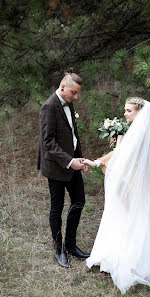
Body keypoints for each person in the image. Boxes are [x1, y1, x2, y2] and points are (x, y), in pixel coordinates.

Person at [84, 97, 150, 294]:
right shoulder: (136, 132)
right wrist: (98, 162)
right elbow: (119, 152)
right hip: (131, 182)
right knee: (128, 218)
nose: (124, 114)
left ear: (139, 112)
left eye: (128, 111)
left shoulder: (138, 134)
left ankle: (130, 260)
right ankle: (121, 255)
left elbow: (123, 157)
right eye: (125, 110)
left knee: (131, 218)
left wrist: (104, 162)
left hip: (132, 183)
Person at [37, 70, 90, 268]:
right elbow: (48, 142)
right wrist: (70, 161)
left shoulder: (69, 102)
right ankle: (59, 250)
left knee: (79, 201)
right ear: (62, 87)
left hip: (73, 163)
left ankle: (71, 244)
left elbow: (73, 136)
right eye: (74, 93)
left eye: (77, 93)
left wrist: (80, 159)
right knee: (56, 208)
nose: (76, 97)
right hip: (56, 167)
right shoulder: (49, 107)